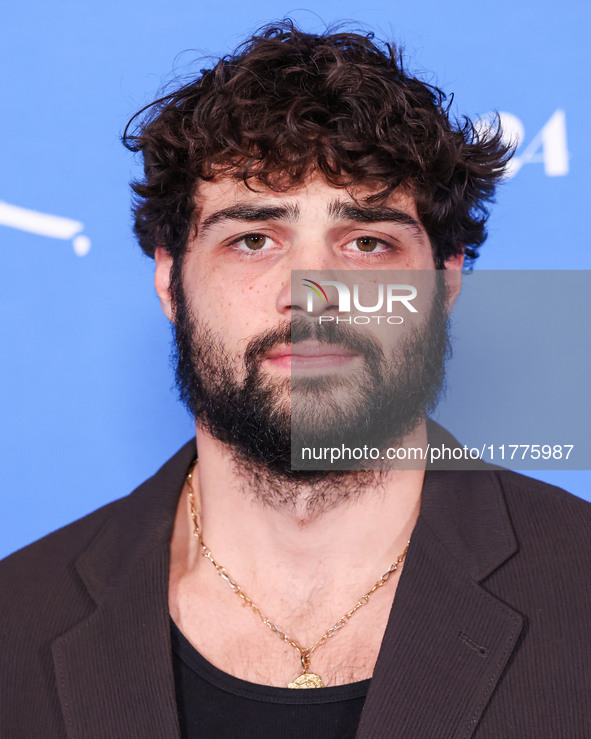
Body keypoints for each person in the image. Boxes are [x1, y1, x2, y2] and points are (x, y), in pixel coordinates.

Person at [1, 21, 590, 739]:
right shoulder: (16, 621)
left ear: (446, 278)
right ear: (168, 277)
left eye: (367, 242)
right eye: (253, 239)